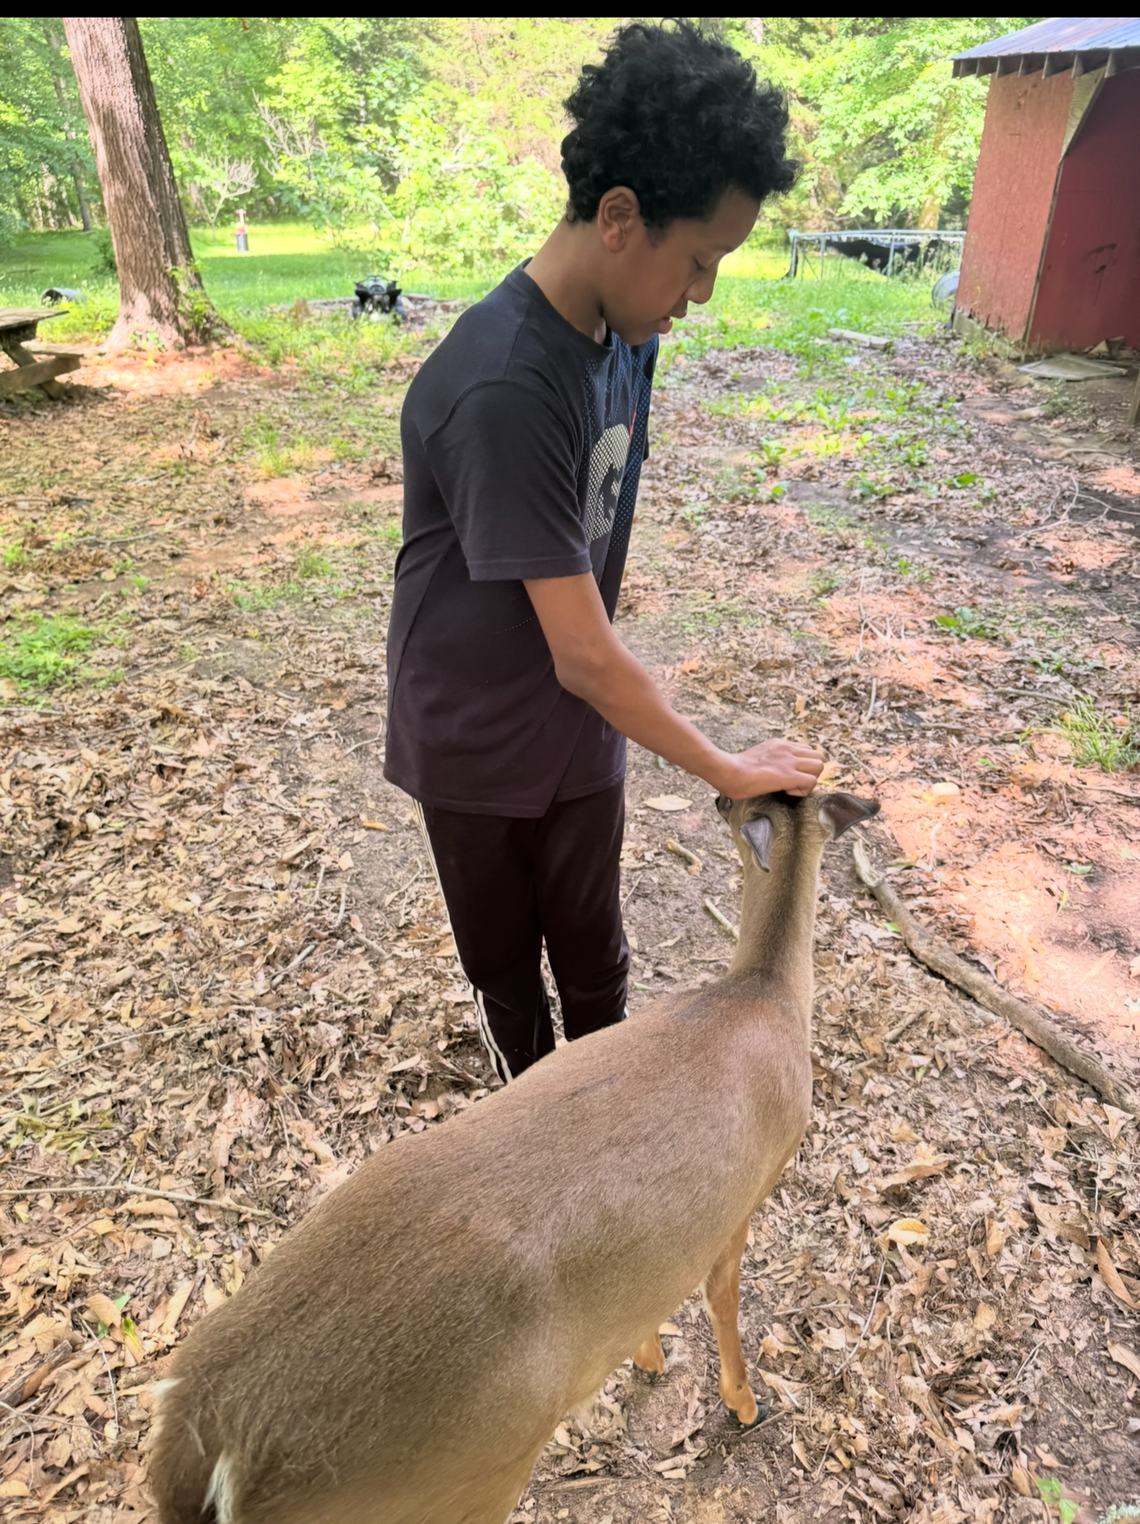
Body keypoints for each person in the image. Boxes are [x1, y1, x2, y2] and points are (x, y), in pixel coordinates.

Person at [385, 19, 824, 1082]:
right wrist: (722, 765)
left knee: (596, 962)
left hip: (578, 731)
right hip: (474, 744)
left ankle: (602, 1130)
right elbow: (583, 650)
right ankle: (530, 1143)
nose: (701, 294)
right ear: (620, 217)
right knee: (509, 980)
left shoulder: (630, 336)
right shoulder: (504, 383)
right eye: (700, 260)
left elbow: (582, 645)